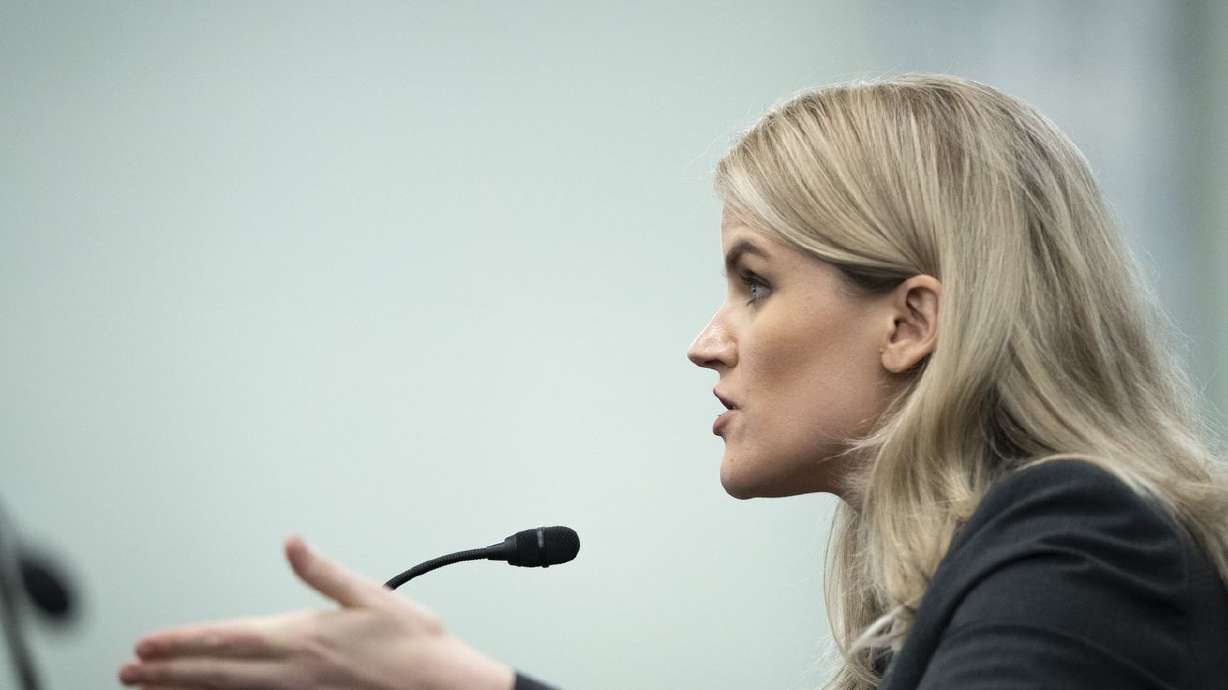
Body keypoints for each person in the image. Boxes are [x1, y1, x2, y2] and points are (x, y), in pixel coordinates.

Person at [117, 72, 1228, 690]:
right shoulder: (953, 603)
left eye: (754, 284)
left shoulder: (1080, 540)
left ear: (909, 322)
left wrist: (461, 688)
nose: (706, 342)